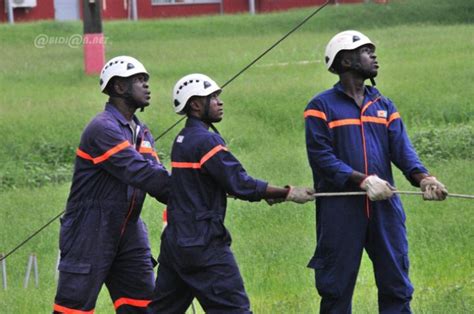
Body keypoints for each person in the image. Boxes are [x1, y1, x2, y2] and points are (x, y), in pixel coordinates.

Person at [304, 30, 448, 313]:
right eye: (366, 51)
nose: (374, 56)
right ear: (345, 61)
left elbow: (402, 151)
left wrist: (424, 178)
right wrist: (363, 180)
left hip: (385, 208)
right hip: (340, 212)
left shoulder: (383, 105)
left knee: (396, 286)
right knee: (336, 289)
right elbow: (322, 158)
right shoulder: (320, 107)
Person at [147, 73, 315, 313]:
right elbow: (240, 183)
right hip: (203, 244)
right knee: (235, 309)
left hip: (175, 243)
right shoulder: (205, 141)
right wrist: (288, 192)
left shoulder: (182, 139)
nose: (219, 102)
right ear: (195, 105)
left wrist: (264, 193)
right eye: (212, 97)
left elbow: (202, 183)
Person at [53, 56, 171, 313]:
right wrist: (189, 191)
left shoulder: (141, 131)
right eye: (139, 80)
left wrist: (195, 191)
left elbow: (157, 174)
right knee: (74, 308)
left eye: (146, 80)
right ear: (119, 87)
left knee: (143, 306)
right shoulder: (102, 128)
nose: (147, 86)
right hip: (89, 229)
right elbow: (138, 171)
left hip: (129, 229)